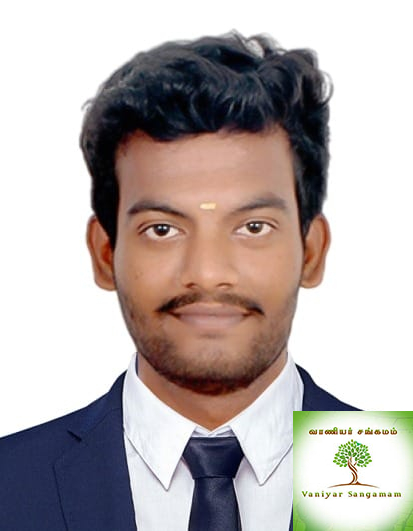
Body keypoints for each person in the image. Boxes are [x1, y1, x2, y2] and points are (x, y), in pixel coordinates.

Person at [0, 31, 358, 531]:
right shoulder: (9, 484)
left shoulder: (393, 473)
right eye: (162, 229)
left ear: (312, 253)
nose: (207, 273)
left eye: (253, 227)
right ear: (105, 254)